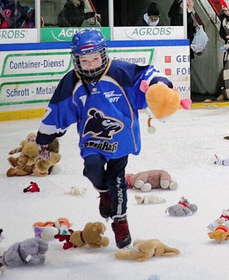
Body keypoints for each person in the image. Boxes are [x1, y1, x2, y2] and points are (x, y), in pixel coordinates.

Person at [33, 28, 177, 249]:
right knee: (92, 169)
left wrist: (159, 85)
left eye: (94, 58)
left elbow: (147, 75)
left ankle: (121, 222)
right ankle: (103, 194)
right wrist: (46, 135)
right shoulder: (72, 81)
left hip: (121, 138)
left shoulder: (119, 72)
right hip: (91, 140)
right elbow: (58, 109)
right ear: (76, 59)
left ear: (103, 54)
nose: (90, 64)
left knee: (117, 180)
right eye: (85, 60)